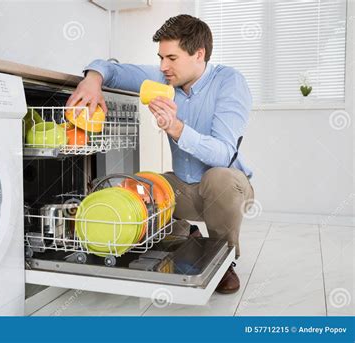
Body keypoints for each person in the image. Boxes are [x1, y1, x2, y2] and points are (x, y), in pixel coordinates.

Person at [66, 14, 255, 294]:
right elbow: (114, 70)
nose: (163, 66)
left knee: (219, 178)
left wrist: (178, 129)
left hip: (226, 189)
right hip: (183, 188)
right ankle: (187, 234)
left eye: (172, 58)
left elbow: (224, 154)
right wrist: (92, 80)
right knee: (140, 186)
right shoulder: (164, 79)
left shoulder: (229, 82)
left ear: (198, 54)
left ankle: (223, 260)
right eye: (160, 57)